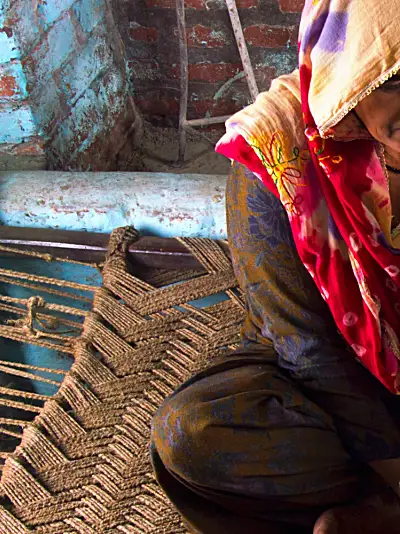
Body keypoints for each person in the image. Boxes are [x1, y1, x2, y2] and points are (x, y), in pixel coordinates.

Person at [150, 0, 400, 531]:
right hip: (331, 382)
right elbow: (308, 351)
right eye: (394, 91)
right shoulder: (279, 164)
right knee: (192, 432)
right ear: (348, 83)